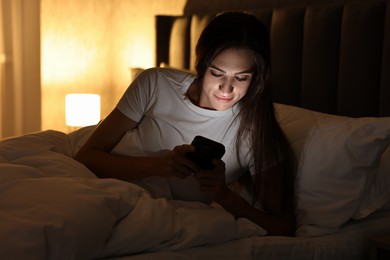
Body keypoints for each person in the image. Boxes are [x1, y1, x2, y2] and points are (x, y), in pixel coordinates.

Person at [75, 11, 296, 236]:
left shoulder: (256, 131)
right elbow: (86, 157)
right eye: (217, 73)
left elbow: (284, 227)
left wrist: (222, 194)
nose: (226, 89)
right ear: (201, 65)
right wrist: (159, 166)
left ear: (256, 77)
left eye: (241, 78)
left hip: (153, 220)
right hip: (99, 190)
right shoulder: (156, 84)